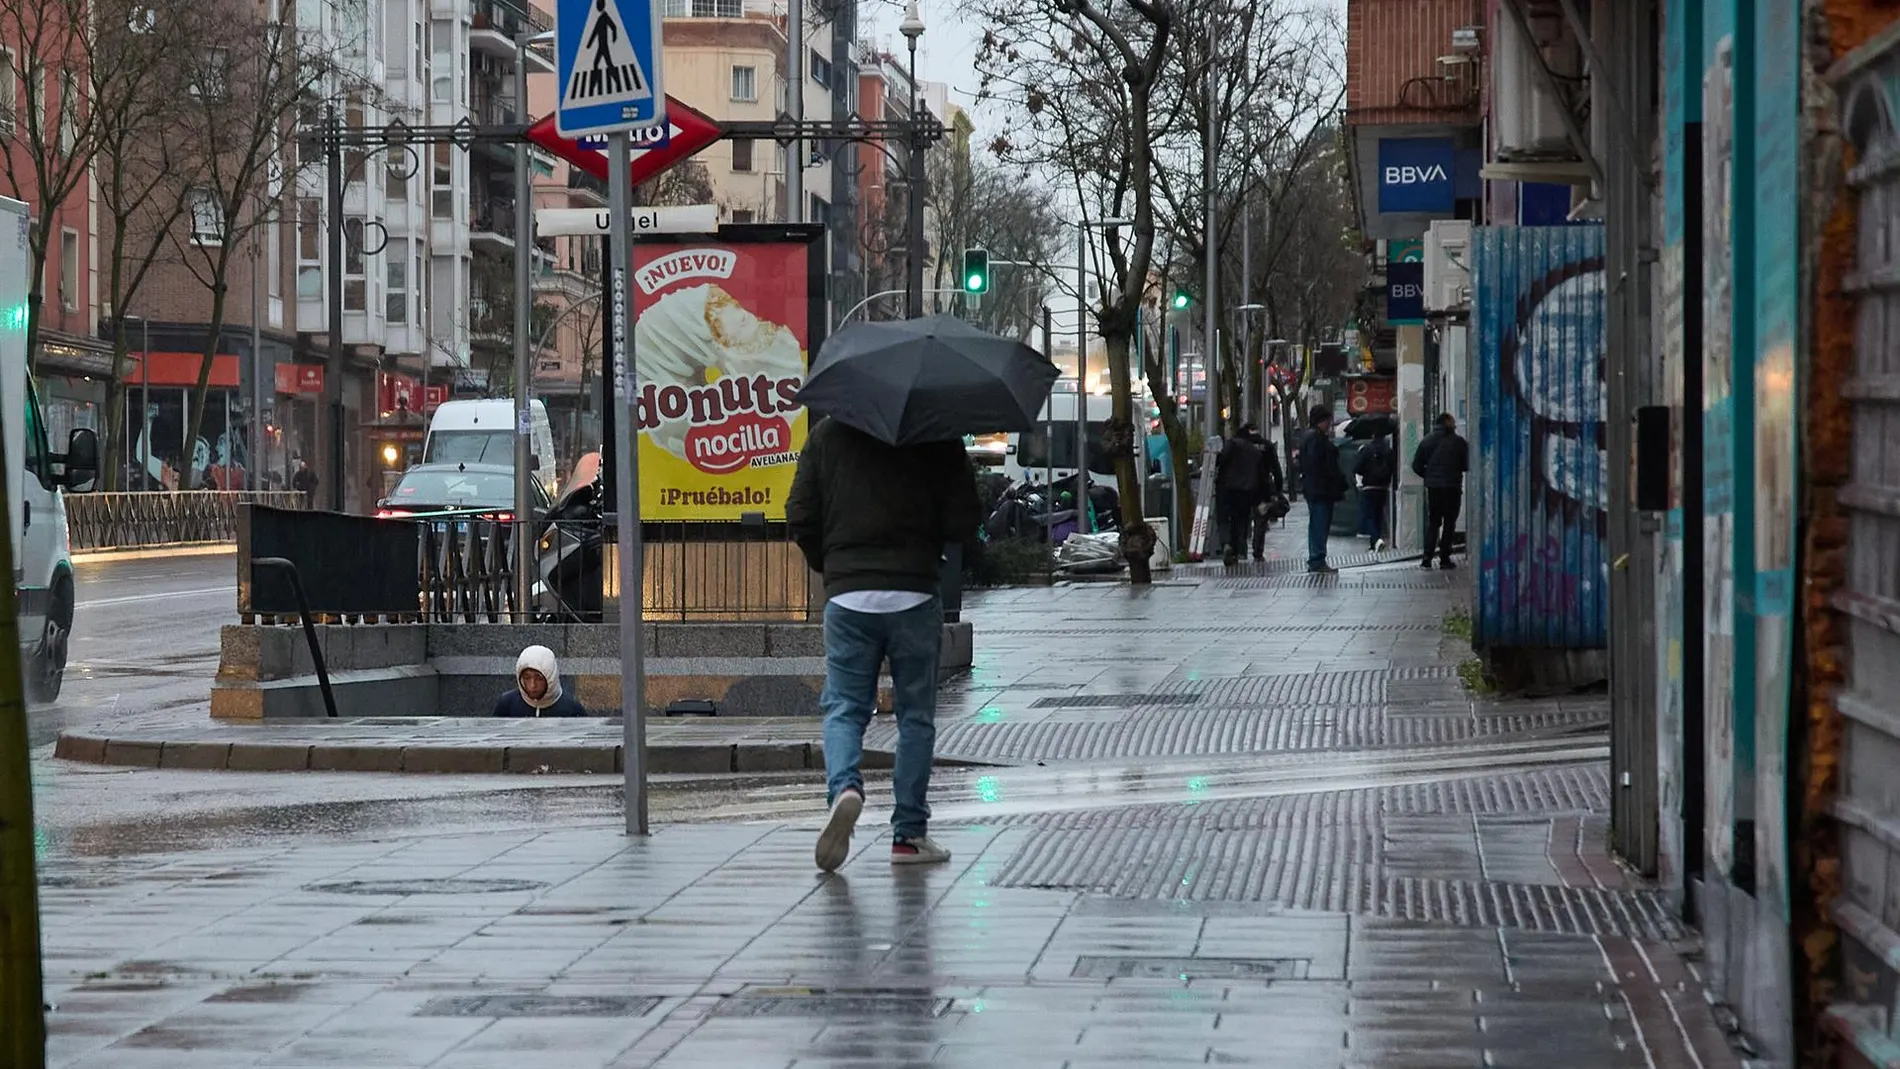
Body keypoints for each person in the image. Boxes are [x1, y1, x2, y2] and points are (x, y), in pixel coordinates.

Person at [787, 417, 982, 872]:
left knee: (843, 707)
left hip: (849, 596)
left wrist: (833, 565)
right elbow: (964, 519)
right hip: (914, 593)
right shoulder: (936, 432)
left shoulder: (828, 436)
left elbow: (800, 512)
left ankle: (845, 789)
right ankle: (909, 835)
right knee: (915, 717)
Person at [1412, 412, 1470, 570]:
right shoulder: (1459, 442)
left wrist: (1429, 476)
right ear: (1450, 424)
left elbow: (1416, 465)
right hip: (1452, 487)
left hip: (1434, 488)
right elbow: (1466, 465)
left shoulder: (1427, 440)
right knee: (1449, 523)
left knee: (1434, 522)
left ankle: (1426, 557)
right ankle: (1444, 558)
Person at [1296, 406, 1346, 573]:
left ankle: (1316, 558)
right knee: (1320, 524)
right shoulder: (1317, 440)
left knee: (1317, 524)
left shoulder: (1309, 438)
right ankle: (1317, 559)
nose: (1329, 424)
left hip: (1314, 488)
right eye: (1327, 421)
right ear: (1322, 421)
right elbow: (1323, 465)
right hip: (1321, 489)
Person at [1215, 422, 1270, 566]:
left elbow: (1220, 461)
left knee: (1223, 519)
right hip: (1246, 491)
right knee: (1240, 521)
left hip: (1226, 489)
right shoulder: (1254, 452)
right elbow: (1262, 476)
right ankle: (1237, 550)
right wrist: (1265, 496)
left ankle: (1226, 544)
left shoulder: (1231, 444)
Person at [492, 645, 587, 718]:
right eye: (527, 678)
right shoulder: (507, 704)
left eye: (539, 678)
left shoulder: (571, 708)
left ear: (550, 677)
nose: (532, 685)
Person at [1245, 424, 1286, 561]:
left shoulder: (1242, 445)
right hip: (1261, 488)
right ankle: (1257, 551)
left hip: (1242, 487)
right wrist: (1278, 489)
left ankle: (1239, 549)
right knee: (1260, 520)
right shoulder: (1266, 446)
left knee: (1241, 518)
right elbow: (1276, 468)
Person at [1354, 432, 1395, 552]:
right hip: (1382, 487)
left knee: (1368, 516)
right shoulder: (1389, 450)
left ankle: (1377, 539)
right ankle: (1374, 545)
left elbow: (1357, 468)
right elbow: (1393, 468)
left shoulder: (1367, 450)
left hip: (1369, 487)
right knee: (1378, 516)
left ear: (1372, 435)